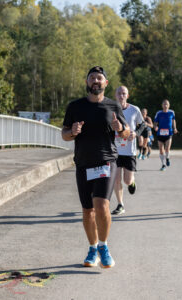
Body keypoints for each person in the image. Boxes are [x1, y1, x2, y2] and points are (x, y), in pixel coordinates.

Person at [62, 66, 130, 268]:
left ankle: (103, 246)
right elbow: (64, 134)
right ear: (87, 82)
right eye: (92, 77)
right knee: (87, 211)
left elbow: (126, 133)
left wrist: (121, 129)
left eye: (99, 78)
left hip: (106, 162)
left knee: (101, 206)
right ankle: (92, 248)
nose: (95, 81)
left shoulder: (113, 106)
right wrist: (72, 132)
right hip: (83, 163)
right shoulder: (75, 106)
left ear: (105, 83)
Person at [111, 86, 145, 215]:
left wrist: (135, 133)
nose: (121, 96)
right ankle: (120, 204)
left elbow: (143, 125)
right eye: (119, 93)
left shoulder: (134, 110)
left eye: (124, 93)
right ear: (115, 95)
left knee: (127, 181)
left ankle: (132, 182)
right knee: (116, 179)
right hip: (115, 151)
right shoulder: (110, 109)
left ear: (127, 96)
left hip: (129, 151)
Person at [154, 99, 178, 171]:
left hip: (169, 133)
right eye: (164, 104)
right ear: (162, 105)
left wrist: (175, 128)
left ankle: (167, 158)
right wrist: (155, 127)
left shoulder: (171, 112)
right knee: (161, 150)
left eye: (167, 104)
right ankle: (163, 164)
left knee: (167, 148)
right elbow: (155, 122)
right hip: (160, 133)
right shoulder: (159, 113)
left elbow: (173, 121)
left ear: (169, 105)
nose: (165, 105)